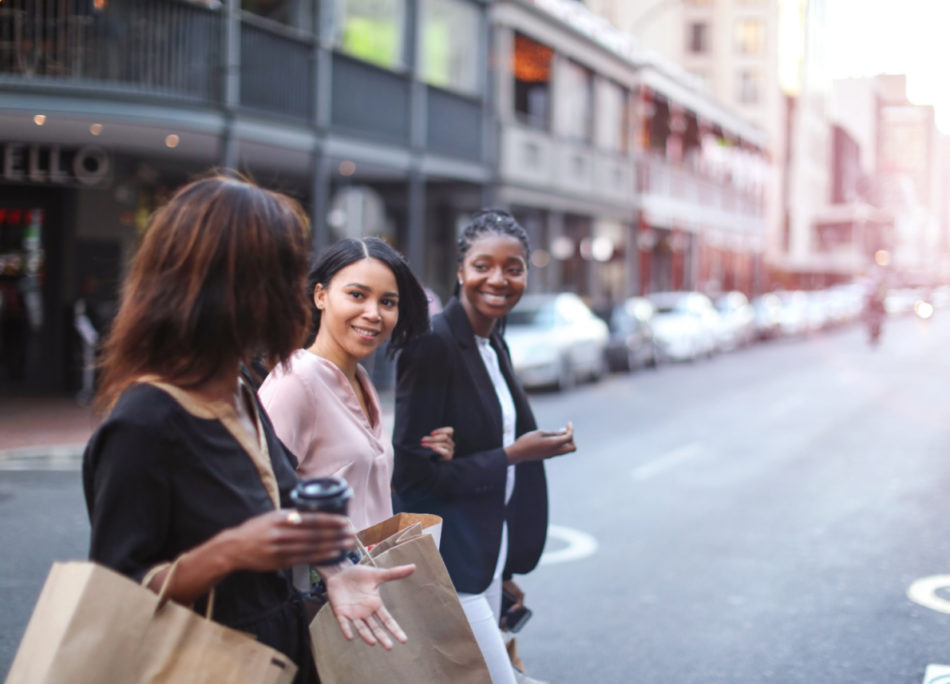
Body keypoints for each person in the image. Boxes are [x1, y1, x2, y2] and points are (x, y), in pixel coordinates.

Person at [83, 175, 415, 684]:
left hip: (280, 655)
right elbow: (116, 594)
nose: (293, 291)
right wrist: (232, 551)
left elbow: (290, 506)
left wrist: (338, 572)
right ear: (206, 284)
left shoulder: (240, 392)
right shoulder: (146, 420)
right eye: (275, 274)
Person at [392, 209, 577, 684]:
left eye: (512, 268)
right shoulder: (432, 344)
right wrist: (517, 453)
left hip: (487, 563)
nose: (498, 279)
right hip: (451, 572)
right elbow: (414, 479)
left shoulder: (494, 341)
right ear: (460, 271)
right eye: (483, 266)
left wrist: (504, 566)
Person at [258, 237, 454, 532]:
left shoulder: (360, 380)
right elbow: (259, 506)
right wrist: (328, 566)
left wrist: (429, 456)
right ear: (320, 296)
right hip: (324, 577)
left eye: (387, 302)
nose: (373, 313)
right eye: (357, 295)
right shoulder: (295, 381)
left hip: (374, 575)